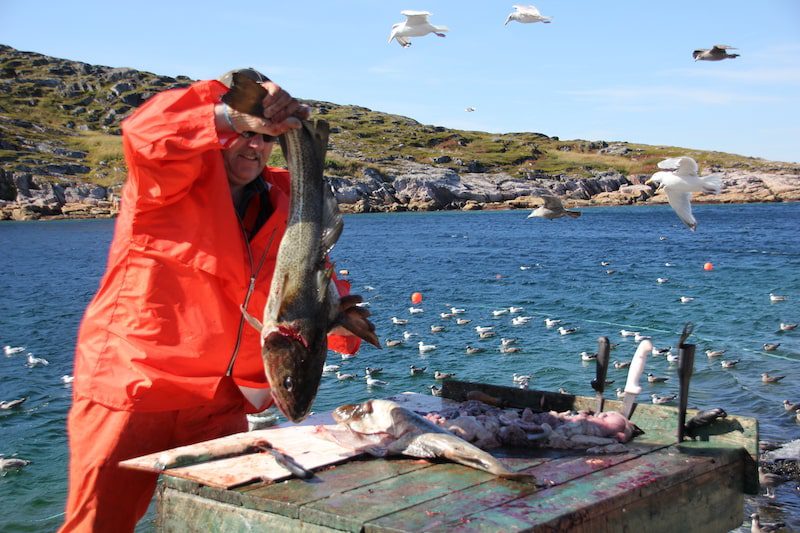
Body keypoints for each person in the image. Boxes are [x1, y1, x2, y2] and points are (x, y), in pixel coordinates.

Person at [60, 68, 373, 532]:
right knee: (98, 526)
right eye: (247, 133)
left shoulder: (285, 203)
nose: (256, 146)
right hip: (135, 390)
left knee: (213, 524)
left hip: (220, 402)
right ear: (221, 127)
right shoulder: (160, 189)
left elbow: (301, 279)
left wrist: (340, 321)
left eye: (267, 139)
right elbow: (144, 134)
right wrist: (231, 116)